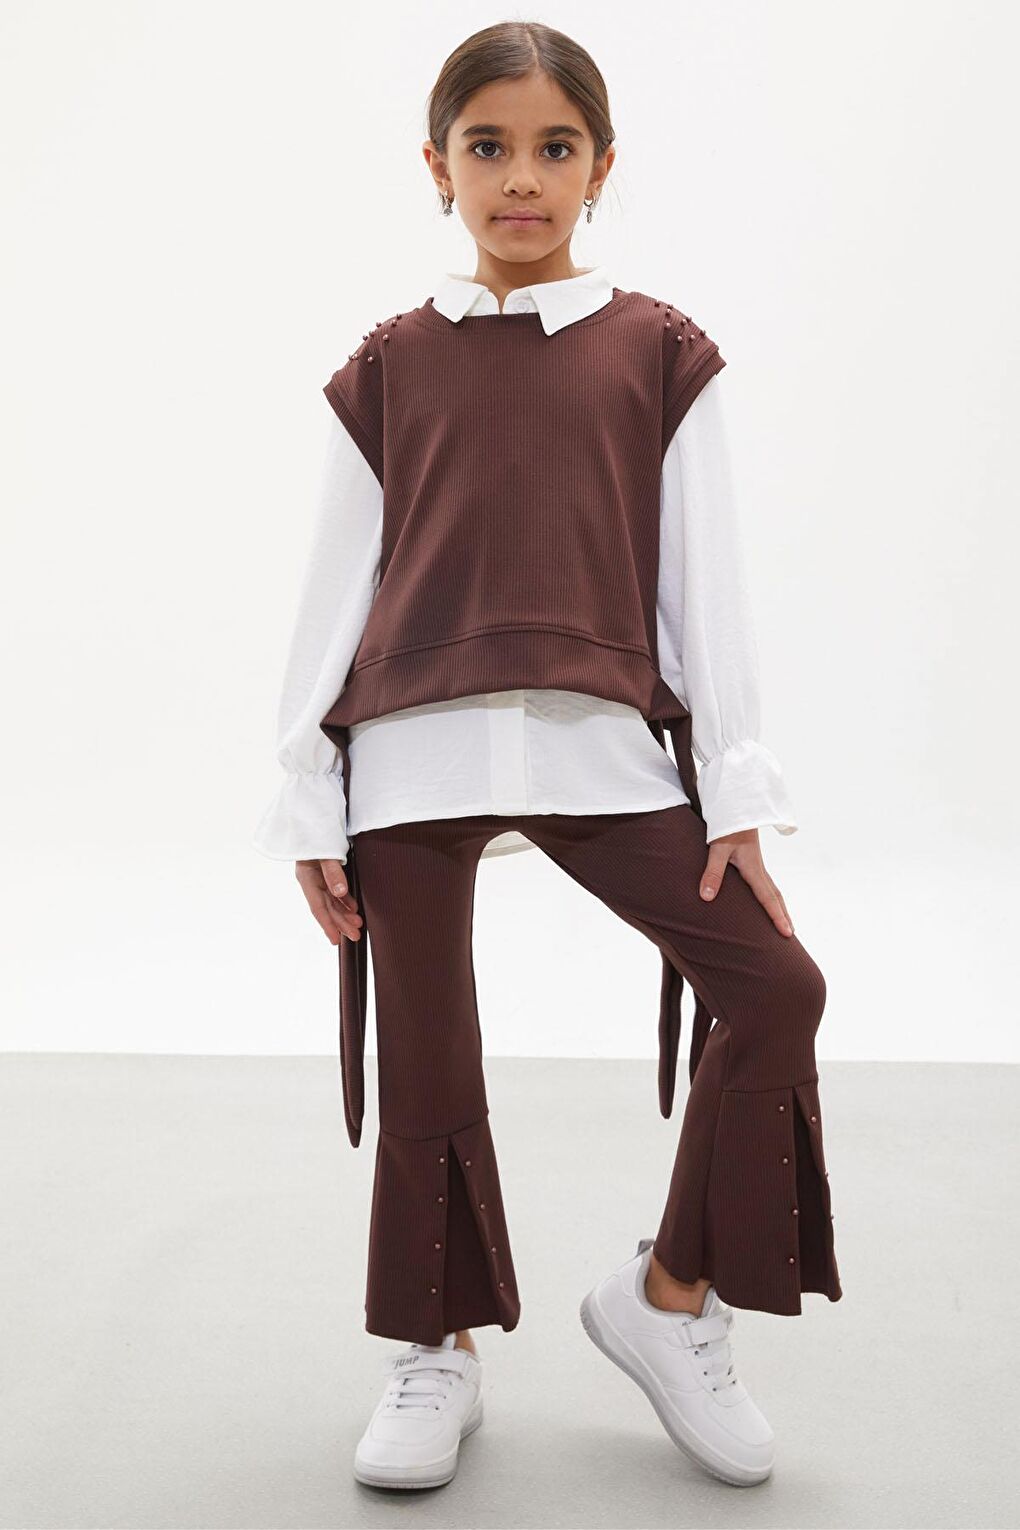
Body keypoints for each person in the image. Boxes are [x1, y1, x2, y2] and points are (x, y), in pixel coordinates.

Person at [253, 18, 841, 1495]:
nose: (522, 178)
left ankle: (669, 1302)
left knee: (777, 987)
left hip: (599, 745)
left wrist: (735, 790)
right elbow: (333, 592)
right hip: (413, 756)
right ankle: (434, 1347)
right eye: (489, 147)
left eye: (554, 147)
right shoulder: (386, 367)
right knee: (429, 1061)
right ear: (438, 165)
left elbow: (706, 590)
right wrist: (309, 795)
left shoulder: (661, 354)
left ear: (601, 165)